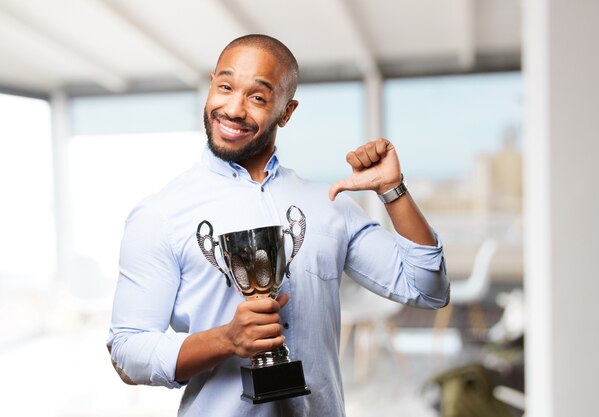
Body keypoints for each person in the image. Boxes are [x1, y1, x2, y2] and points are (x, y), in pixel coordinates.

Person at [106, 34, 449, 417]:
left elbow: (428, 287)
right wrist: (226, 340)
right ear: (211, 85)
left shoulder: (328, 205)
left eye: (257, 97)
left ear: (286, 112)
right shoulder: (160, 214)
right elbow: (127, 352)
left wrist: (392, 189)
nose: (233, 109)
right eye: (225, 86)